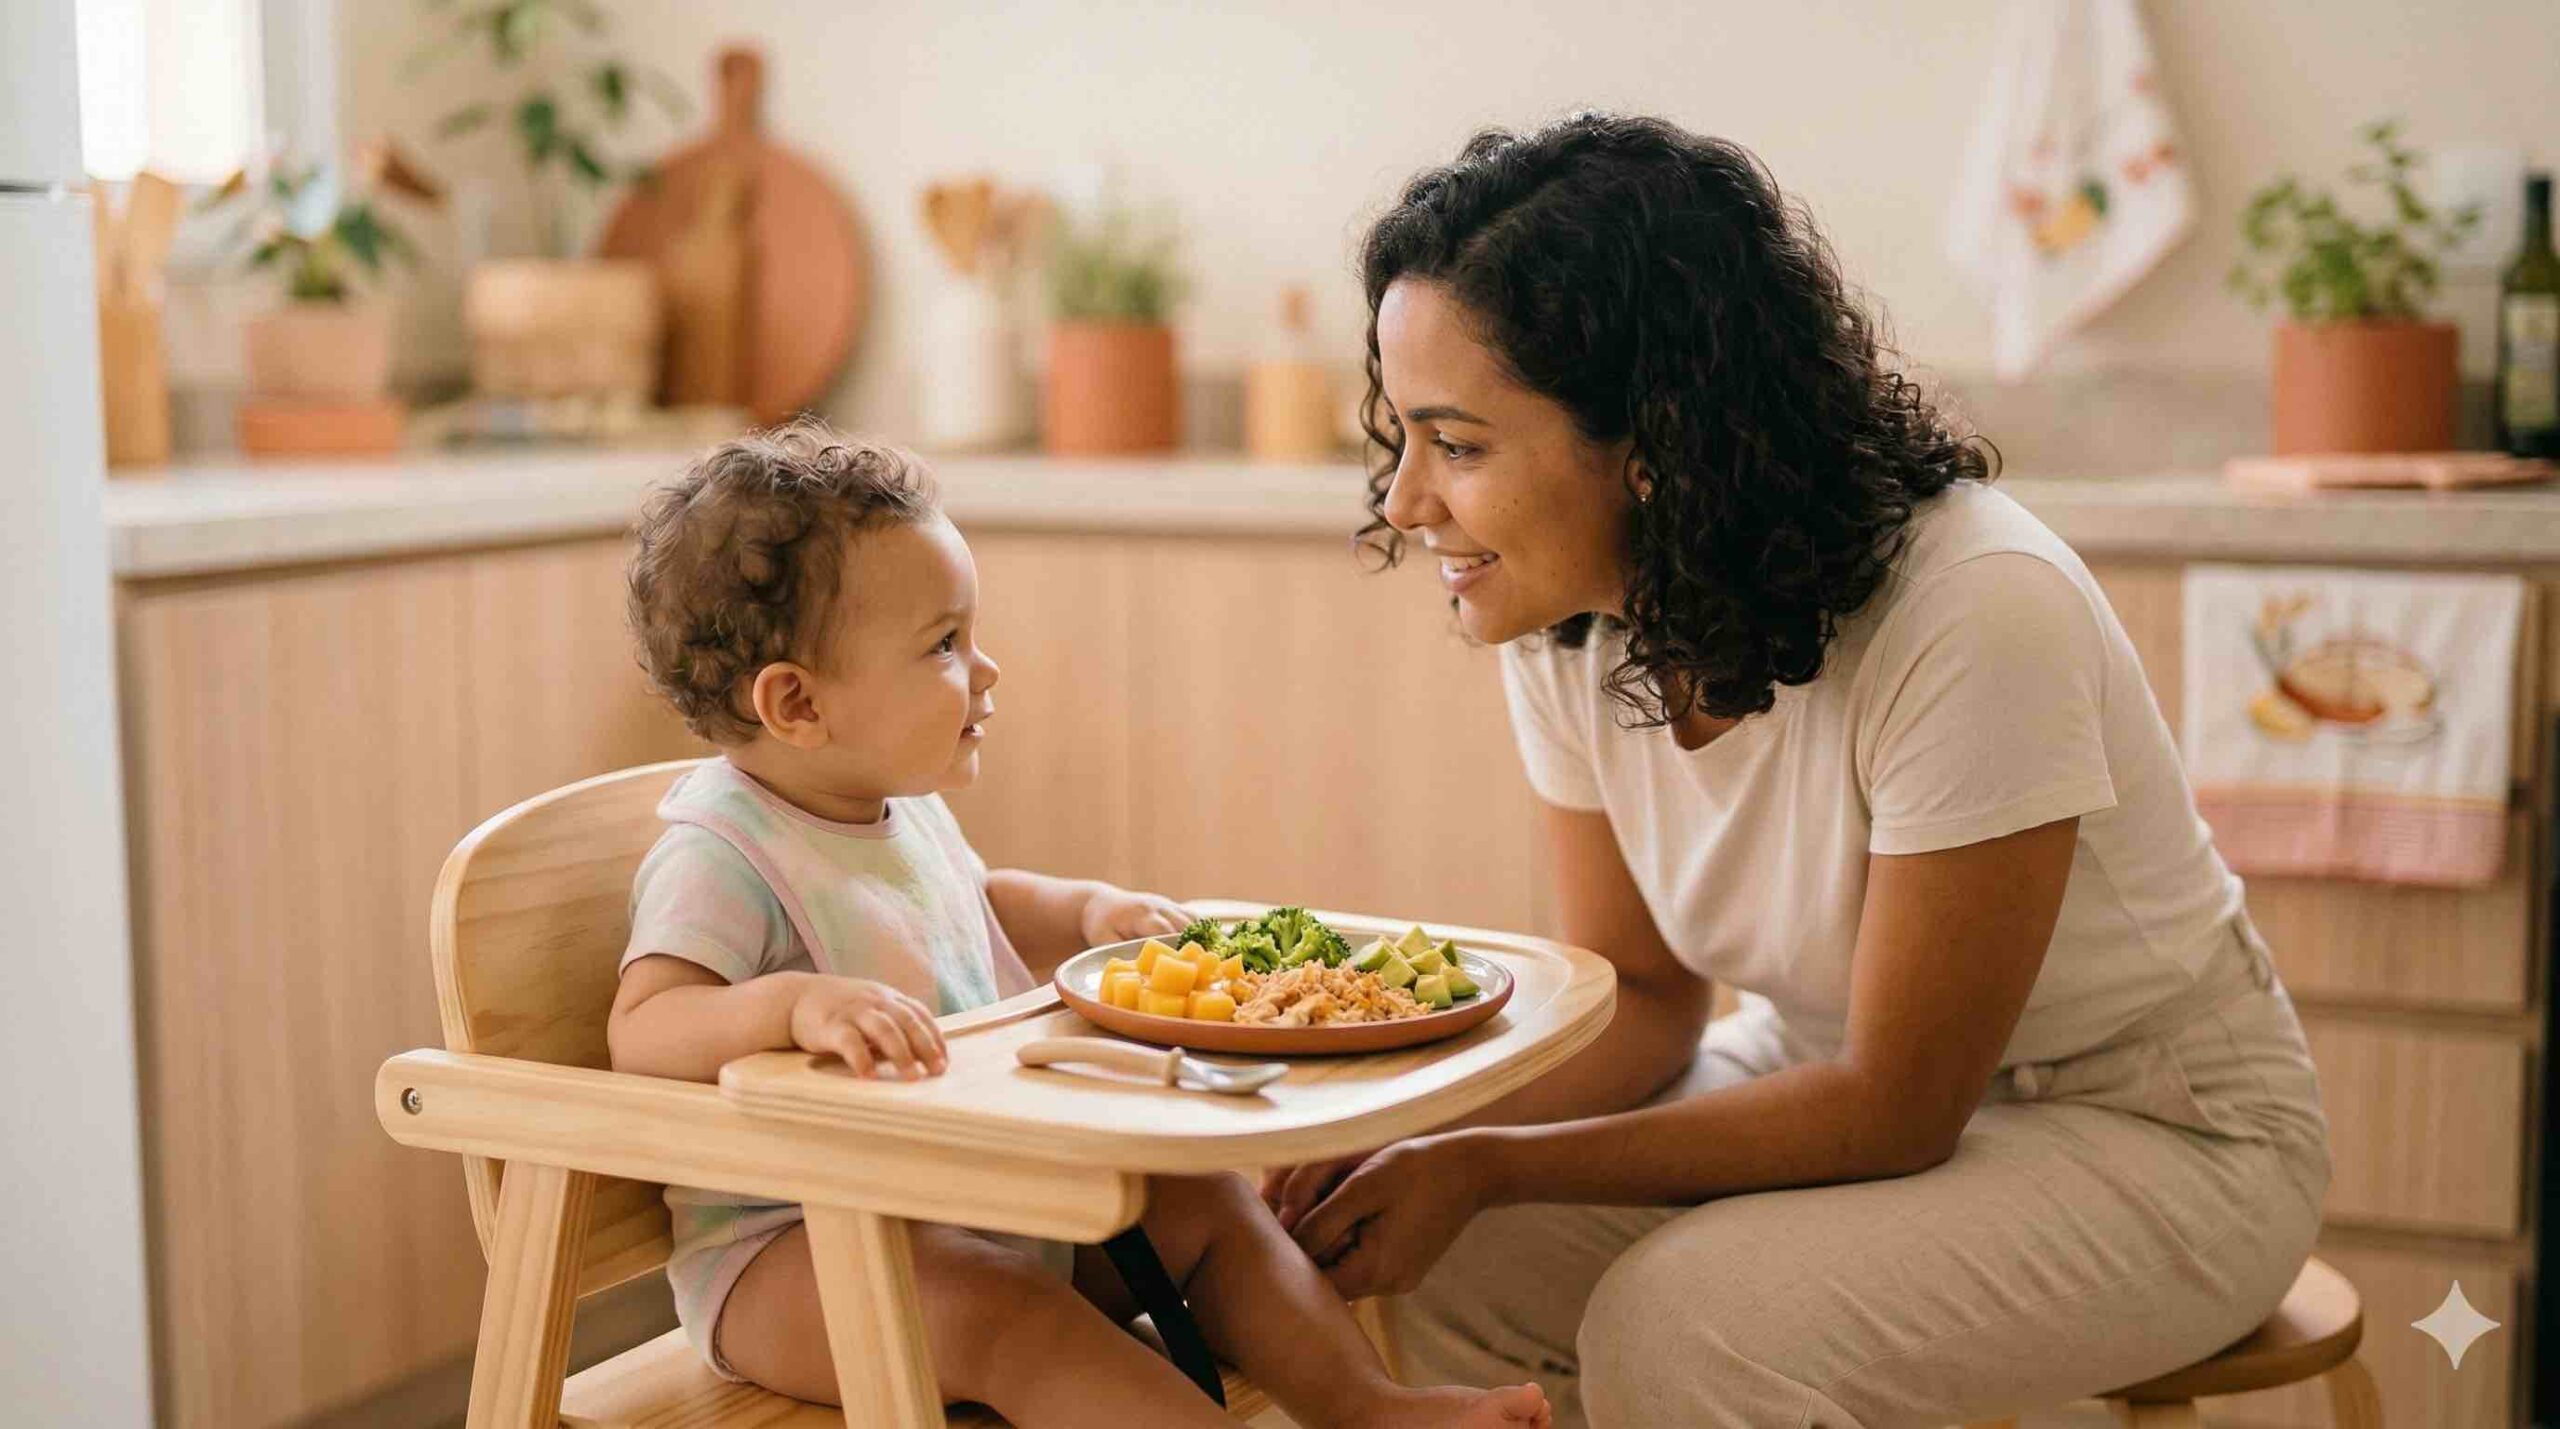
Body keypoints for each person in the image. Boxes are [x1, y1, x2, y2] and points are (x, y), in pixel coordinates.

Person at [1262, 113, 2331, 1428]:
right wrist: (1412, 1145)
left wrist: (1487, 1159)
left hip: (2156, 1126)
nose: (1405, 501)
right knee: (1444, 1267)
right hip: (1818, 1072)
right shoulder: (1564, 613)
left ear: (1650, 443)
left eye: (1460, 444)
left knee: (1695, 1326)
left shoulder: (1975, 606)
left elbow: (1898, 1105)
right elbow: (1650, 997)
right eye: (1404, 434)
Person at [609, 422, 1550, 1429]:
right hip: (791, 1252)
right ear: (797, 702)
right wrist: (790, 1004)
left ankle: (1368, 1410)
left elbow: (972, 904)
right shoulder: (720, 848)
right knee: (1016, 1321)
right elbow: (646, 1026)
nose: (986, 669)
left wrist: (1088, 911)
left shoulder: (895, 808)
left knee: (1206, 1202)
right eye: (943, 644)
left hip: (971, 1204)